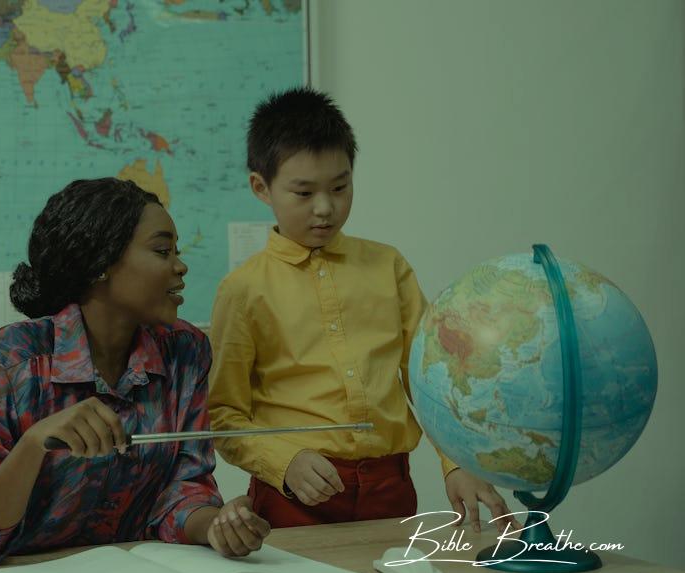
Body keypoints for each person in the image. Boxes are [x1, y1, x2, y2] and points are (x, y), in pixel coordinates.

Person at [208, 87, 518, 533]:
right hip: (294, 492)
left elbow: (430, 378)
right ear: (261, 187)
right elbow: (225, 416)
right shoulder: (242, 290)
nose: (325, 208)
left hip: (389, 485)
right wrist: (284, 462)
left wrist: (455, 464)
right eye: (303, 192)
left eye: (340, 186)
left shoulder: (388, 266)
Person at [0, 178, 270, 566]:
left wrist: (216, 526)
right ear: (101, 265)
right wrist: (33, 444)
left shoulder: (185, 351)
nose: (181, 266)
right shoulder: (11, 361)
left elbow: (183, 490)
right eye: (162, 250)